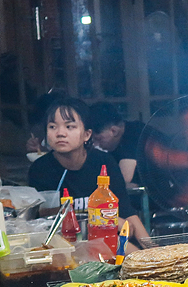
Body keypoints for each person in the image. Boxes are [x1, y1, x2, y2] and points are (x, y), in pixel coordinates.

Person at [28, 97, 151, 247]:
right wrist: (103, 218)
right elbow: (42, 220)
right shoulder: (40, 169)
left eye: (69, 127)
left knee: (134, 254)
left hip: (107, 240)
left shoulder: (104, 163)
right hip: (63, 245)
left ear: (87, 134)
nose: (60, 133)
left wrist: (151, 248)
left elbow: (126, 211)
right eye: (52, 127)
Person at [89, 101, 146, 186]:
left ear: (114, 131)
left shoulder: (134, 134)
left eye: (99, 139)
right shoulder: (115, 144)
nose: (96, 145)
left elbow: (122, 180)